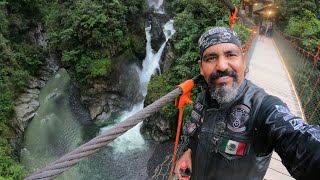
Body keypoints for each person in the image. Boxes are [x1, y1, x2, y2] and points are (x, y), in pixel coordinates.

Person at [174, 26, 320, 180]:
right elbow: (194, 134)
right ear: (201, 68)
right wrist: (189, 151)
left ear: (243, 60)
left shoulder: (263, 107)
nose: (222, 66)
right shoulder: (202, 99)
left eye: (230, 55)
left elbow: (303, 144)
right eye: (211, 58)